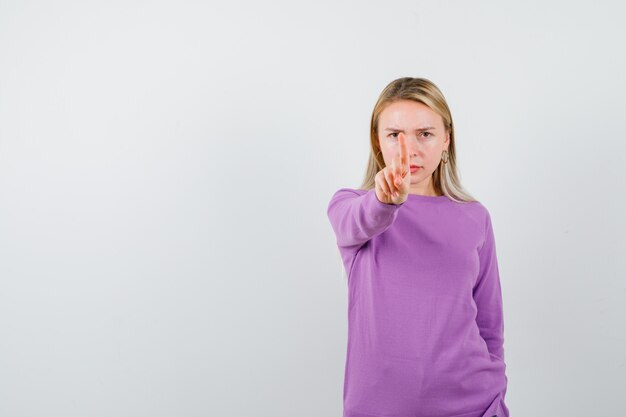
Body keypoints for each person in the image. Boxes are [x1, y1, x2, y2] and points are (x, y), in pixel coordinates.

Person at [326, 77, 509, 417]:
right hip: (378, 407)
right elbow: (359, 221)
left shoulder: (475, 217)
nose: (408, 150)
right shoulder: (351, 206)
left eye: (424, 134)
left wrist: (495, 395)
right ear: (378, 143)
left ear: (446, 140)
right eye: (394, 135)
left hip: (474, 406)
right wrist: (384, 200)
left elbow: (490, 327)